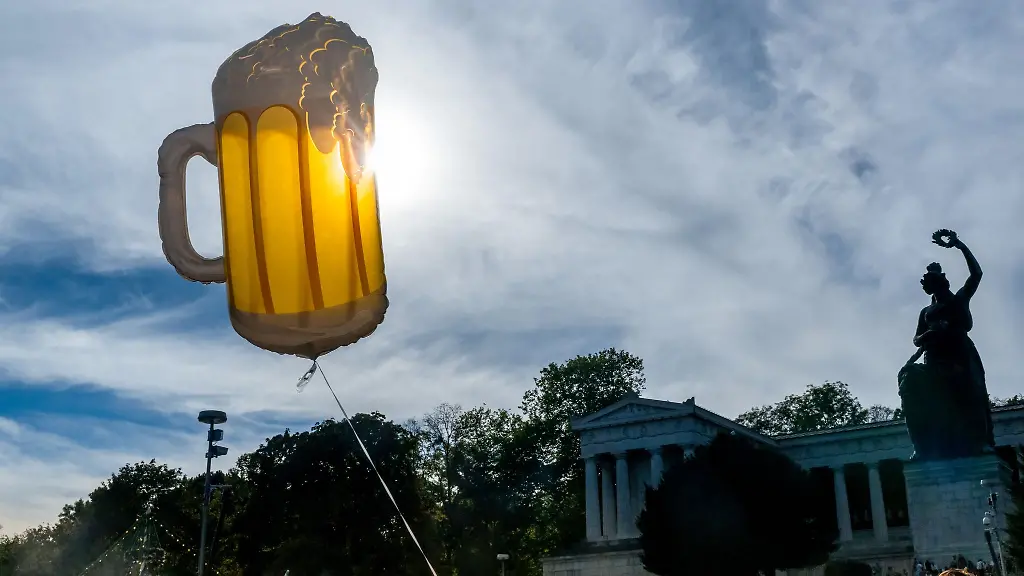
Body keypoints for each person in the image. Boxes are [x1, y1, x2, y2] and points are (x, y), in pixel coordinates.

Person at [910, 230, 994, 456]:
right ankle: (928, 445)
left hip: (960, 354)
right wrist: (929, 334)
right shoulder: (926, 312)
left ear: (938, 283)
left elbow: (976, 274)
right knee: (932, 401)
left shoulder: (958, 299)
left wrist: (959, 245)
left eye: (927, 283)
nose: (924, 286)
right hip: (934, 359)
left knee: (971, 396)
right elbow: (916, 340)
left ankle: (980, 441)